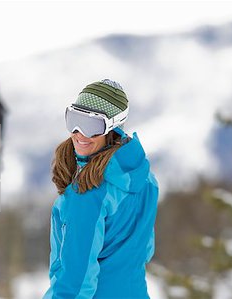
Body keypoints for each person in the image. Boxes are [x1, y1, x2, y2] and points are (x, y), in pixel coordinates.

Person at [43, 79, 159, 298]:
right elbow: (145, 250)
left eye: (93, 125)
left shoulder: (88, 193)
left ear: (113, 127)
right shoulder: (147, 181)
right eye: (75, 119)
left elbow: (74, 282)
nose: (80, 133)